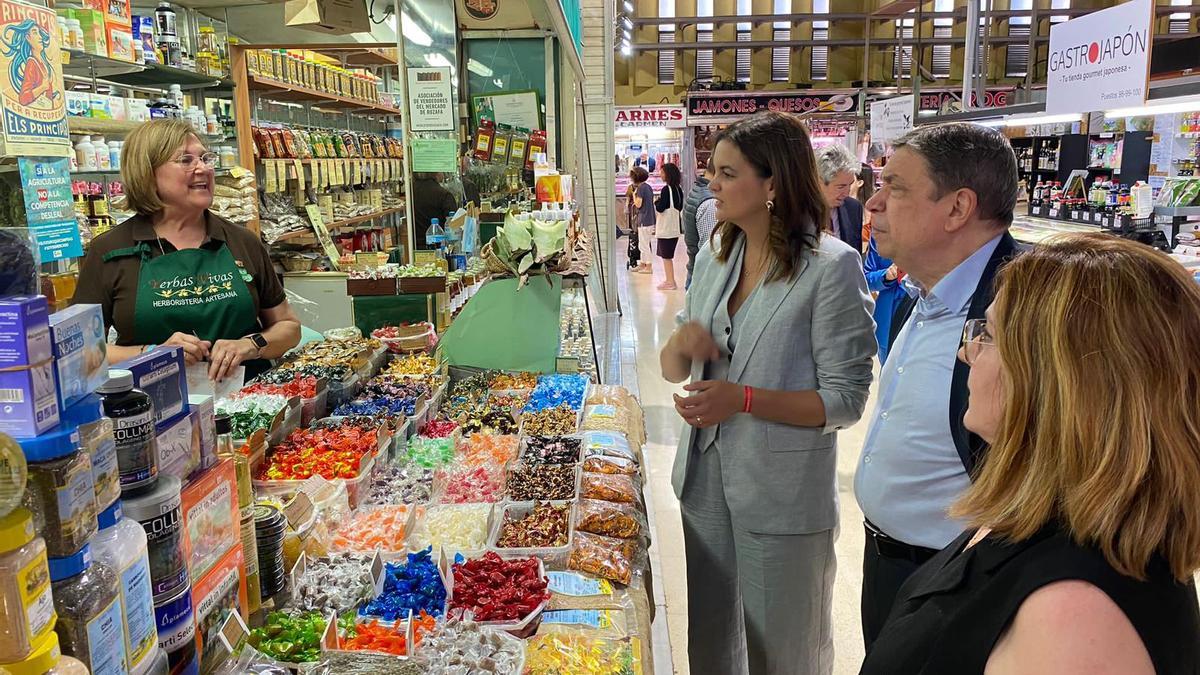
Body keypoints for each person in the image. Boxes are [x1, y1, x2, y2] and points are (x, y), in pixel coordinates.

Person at [861, 233, 1200, 674]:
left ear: (1060, 382)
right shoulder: (1044, 511)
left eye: (988, 335)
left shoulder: (1074, 619)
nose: (966, 352)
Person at [660, 110, 876, 675]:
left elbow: (846, 399)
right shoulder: (715, 255)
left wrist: (743, 399)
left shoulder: (830, 268)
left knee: (784, 649)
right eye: (713, 171)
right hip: (705, 481)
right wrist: (683, 342)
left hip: (781, 491)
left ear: (773, 183)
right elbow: (672, 366)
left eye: (728, 173)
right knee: (710, 639)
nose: (712, 184)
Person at [854, 122, 1023, 649]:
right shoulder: (920, 295)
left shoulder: (1023, 312)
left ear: (957, 208)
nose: (874, 203)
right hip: (888, 564)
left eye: (896, 187)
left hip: (961, 584)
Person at [75, 119, 301, 381]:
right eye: (185, 160)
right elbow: (83, 354)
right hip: (153, 407)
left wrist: (249, 345)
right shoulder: (110, 250)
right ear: (147, 172)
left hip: (248, 404)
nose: (202, 168)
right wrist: (153, 353)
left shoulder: (241, 241)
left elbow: (289, 328)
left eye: (206, 158)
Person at [815, 143, 863, 254]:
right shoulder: (797, 212)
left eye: (850, 185)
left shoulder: (854, 209)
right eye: (840, 187)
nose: (847, 193)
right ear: (818, 182)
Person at [682, 159, 713, 288]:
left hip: (696, 275)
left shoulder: (699, 191)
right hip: (704, 280)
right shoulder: (710, 203)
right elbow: (711, 254)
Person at [654, 163, 684, 290]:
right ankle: (670, 280)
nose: (660, 174)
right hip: (674, 229)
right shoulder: (679, 189)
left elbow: (661, 208)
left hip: (666, 229)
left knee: (666, 257)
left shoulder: (666, 190)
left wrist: (656, 202)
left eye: (662, 172)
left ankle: (670, 281)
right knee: (668, 256)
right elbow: (679, 207)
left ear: (668, 174)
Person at [411, 172, 458, 249]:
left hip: (414, 247)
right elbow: (454, 225)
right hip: (439, 247)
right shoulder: (443, 194)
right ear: (436, 173)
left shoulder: (409, 192)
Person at [630, 166, 656, 274]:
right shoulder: (648, 187)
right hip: (649, 218)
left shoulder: (640, 189)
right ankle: (642, 264)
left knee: (644, 244)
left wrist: (634, 195)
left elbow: (638, 204)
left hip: (644, 219)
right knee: (643, 243)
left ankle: (648, 266)